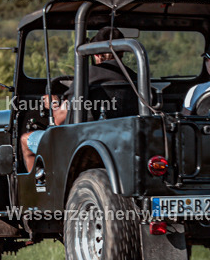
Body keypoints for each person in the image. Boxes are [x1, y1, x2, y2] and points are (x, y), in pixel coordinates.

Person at [20, 27, 135, 172]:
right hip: (124, 141)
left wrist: (54, 104)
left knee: (25, 139)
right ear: (122, 52)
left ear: (97, 54)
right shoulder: (134, 77)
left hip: (82, 141)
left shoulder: (88, 75)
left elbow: (59, 119)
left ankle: (38, 187)